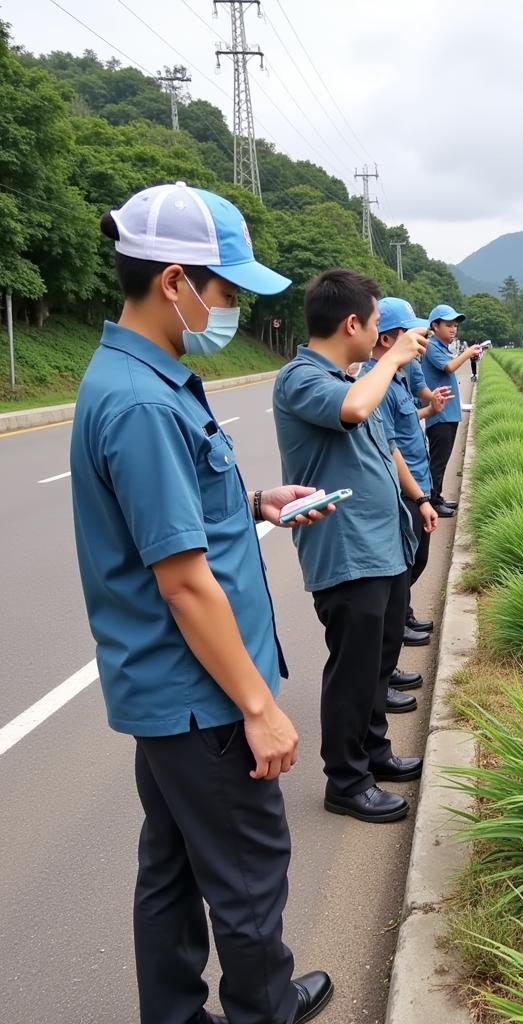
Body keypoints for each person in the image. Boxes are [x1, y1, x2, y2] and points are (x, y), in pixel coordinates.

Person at [70, 182, 333, 1024]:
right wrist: (260, 706)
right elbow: (184, 582)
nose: (228, 310)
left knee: (176, 867)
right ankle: (267, 1009)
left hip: (170, 697)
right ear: (176, 281)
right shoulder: (145, 400)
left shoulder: (139, 377)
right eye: (225, 292)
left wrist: (253, 503)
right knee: (249, 873)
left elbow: (174, 515)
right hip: (204, 698)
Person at [273, 269, 425, 824]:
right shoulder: (302, 379)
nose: (383, 334)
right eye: (378, 323)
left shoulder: (349, 375)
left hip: (381, 546)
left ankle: (374, 752)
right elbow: (354, 411)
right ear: (352, 323)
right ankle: (346, 779)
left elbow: (382, 446)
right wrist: (392, 360)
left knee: (381, 659)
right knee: (354, 667)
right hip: (346, 551)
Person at [361, 299, 453, 671]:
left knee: (415, 561)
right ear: (387, 339)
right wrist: (415, 495)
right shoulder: (377, 383)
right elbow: (387, 443)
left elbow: (398, 428)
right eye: (413, 333)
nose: (422, 340)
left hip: (417, 479)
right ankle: (394, 634)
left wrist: (428, 412)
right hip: (405, 486)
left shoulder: (398, 378)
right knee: (403, 568)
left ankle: (402, 619)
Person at [421, 304, 481, 517]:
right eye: (448, 325)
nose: (453, 329)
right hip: (440, 414)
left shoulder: (440, 346)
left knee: (442, 460)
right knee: (438, 461)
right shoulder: (431, 346)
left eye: (455, 325)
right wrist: (468, 353)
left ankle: (438, 497)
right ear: (434, 326)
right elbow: (449, 367)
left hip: (448, 413)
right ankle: (433, 502)